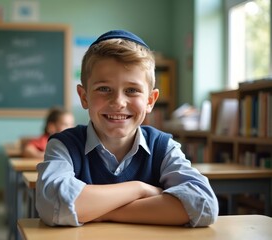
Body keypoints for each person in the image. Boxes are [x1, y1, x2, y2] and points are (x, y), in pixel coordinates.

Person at [35, 30, 219, 227]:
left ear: (150, 100)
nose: (118, 102)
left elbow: (203, 205)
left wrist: (96, 211)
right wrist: (139, 190)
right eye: (104, 89)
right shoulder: (64, 145)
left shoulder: (163, 147)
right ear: (84, 96)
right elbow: (53, 205)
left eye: (132, 90)